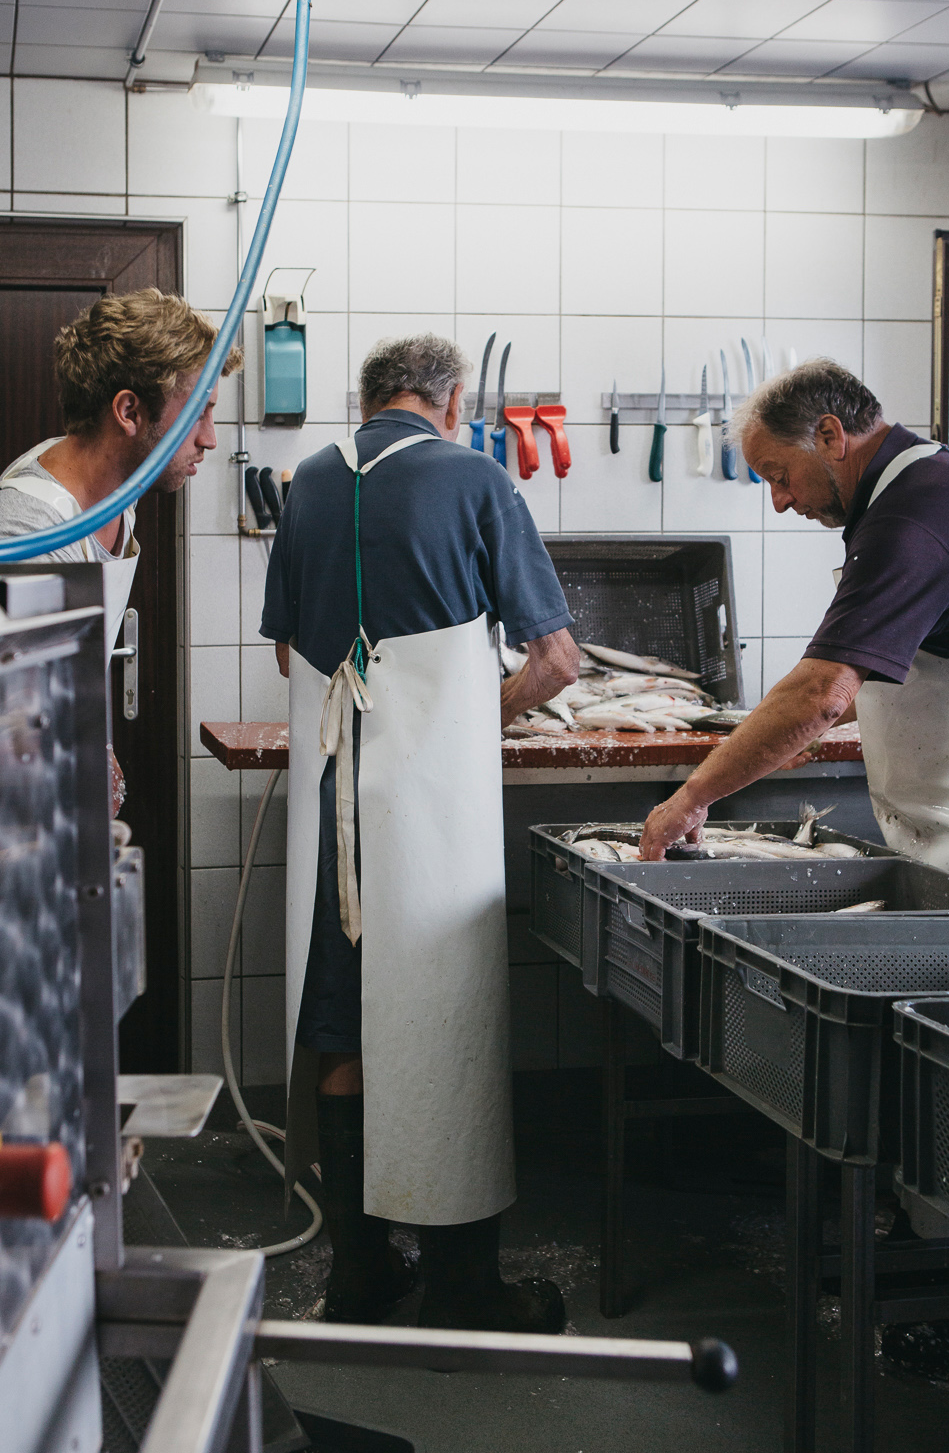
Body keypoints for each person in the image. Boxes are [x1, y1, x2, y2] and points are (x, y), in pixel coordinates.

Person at [261, 333, 579, 1331]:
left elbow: (289, 655)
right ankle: (461, 1283)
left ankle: (358, 1272)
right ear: (448, 403)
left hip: (338, 797)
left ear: (369, 404)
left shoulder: (306, 482)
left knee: (345, 1014)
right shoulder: (476, 478)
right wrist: (459, 718)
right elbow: (558, 660)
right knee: (443, 1005)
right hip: (433, 805)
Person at [640, 357, 949, 917]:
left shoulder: (915, 515)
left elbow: (823, 692)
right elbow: (901, 665)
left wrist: (691, 799)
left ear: (829, 435)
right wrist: (780, 734)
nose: (780, 500)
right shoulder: (917, 490)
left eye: (778, 474)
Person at [0, 288, 240, 813]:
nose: (211, 439)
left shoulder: (117, 489)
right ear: (129, 411)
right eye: (199, 414)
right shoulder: (29, 532)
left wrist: (97, 743)